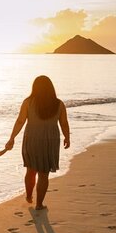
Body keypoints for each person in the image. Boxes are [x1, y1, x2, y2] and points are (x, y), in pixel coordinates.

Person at [5, 75, 70, 211]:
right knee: (43, 173)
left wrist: (12, 137)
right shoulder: (58, 104)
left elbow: (20, 121)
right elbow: (64, 123)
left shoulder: (28, 102)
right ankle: (39, 204)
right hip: (50, 140)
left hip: (32, 138)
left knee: (31, 170)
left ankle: (29, 196)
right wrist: (66, 137)